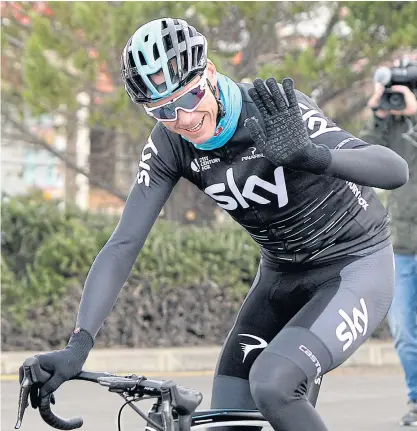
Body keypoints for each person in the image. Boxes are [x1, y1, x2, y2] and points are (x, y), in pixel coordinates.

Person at [20, 18, 409, 431]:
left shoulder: (271, 109)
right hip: (281, 275)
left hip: (354, 266)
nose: (184, 119)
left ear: (208, 72)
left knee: (273, 385)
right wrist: (78, 345)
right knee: (228, 415)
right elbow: (123, 244)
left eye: (188, 98)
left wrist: (311, 156)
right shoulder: (170, 143)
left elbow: (394, 169)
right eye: (163, 110)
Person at [360, 64, 417, 427]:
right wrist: (377, 112)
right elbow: (364, 152)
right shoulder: (392, 126)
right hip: (402, 243)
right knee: (404, 331)